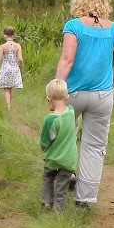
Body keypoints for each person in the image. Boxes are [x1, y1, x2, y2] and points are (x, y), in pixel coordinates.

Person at [53, 0, 114, 208]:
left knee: (63, 139)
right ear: (103, 3)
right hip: (102, 96)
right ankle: (85, 197)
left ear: (80, 2)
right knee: (94, 146)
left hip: (72, 93)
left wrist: (56, 89)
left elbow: (67, 59)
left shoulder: (73, 26)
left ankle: (60, 187)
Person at [40, 79, 78, 212]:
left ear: (49, 98)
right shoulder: (71, 112)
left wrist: (44, 150)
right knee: (61, 187)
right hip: (69, 160)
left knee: (48, 178)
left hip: (53, 159)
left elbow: (44, 143)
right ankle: (58, 211)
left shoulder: (50, 119)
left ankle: (47, 203)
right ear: (67, 96)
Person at [0, 26, 25, 112]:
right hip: (15, 68)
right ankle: (10, 106)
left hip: (5, 68)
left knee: (6, 88)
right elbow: (20, 59)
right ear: (13, 35)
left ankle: (8, 107)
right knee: (11, 88)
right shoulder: (18, 46)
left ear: (4, 35)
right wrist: (22, 66)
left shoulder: (3, 46)